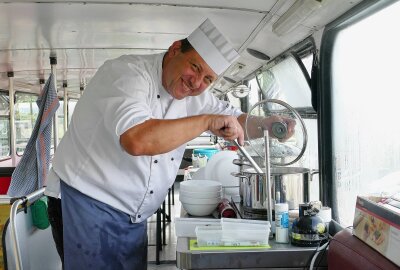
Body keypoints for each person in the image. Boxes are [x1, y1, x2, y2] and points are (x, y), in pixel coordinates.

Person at [45, 18, 294, 269]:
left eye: (208, 79)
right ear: (175, 50)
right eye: (195, 67)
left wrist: (269, 125)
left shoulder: (196, 96)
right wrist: (206, 121)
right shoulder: (128, 73)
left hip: (132, 216)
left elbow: (236, 119)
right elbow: (137, 139)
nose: (197, 83)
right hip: (87, 202)